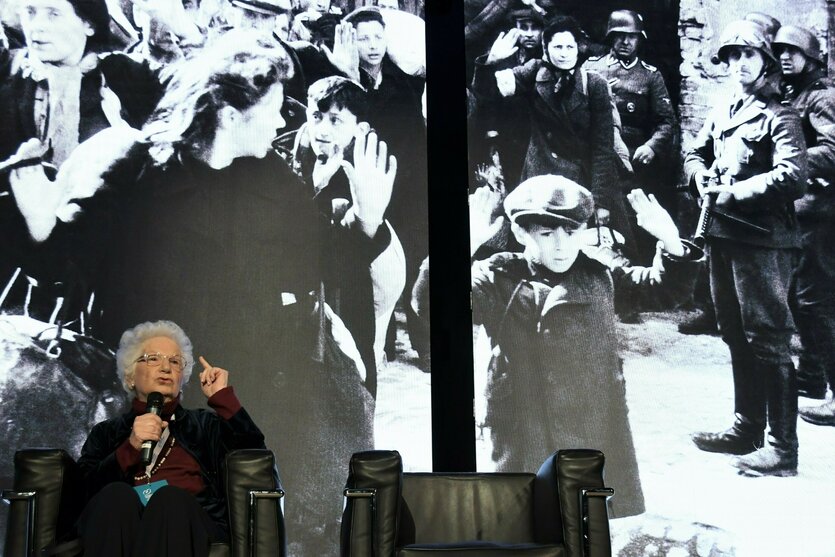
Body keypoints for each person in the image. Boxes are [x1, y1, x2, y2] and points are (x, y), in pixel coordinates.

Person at [10, 30, 391, 554]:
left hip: (246, 400)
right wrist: (37, 226)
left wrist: (367, 224)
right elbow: (63, 262)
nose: (284, 122)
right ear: (231, 115)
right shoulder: (134, 166)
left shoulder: (270, 176)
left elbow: (313, 264)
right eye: (276, 108)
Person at [469, 175, 702, 518]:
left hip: (590, 424)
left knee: (586, 522)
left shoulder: (600, 273)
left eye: (572, 233)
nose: (561, 246)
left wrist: (672, 243)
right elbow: (430, 307)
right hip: (521, 429)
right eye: (547, 235)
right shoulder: (497, 276)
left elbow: (662, 290)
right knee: (523, 522)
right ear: (520, 234)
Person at [685, 20, 807, 476]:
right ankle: (746, 428)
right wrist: (699, 174)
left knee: (769, 338)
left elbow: (792, 176)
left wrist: (739, 190)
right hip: (722, 235)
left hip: (763, 241)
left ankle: (782, 448)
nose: (738, 66)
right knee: (733, 331)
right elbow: (695, 152)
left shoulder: (781, 115)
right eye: (731, 57)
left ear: (766, 62)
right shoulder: (723, 107)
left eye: (747, 57)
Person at [0, 0, 161, 330]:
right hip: (17, 274)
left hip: (104, 270)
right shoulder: (10, 80)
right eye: (30, 12)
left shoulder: (127, 78)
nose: (37, 25)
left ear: (89, 24)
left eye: (53, 13)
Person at [76, 320, 266, 556]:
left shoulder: (204, 425)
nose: (166, 367)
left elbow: (255, 454)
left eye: (175, 361)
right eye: (153, 358)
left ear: (181, 377)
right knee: (116, 497)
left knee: (170, 500)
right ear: (130, 377)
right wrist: (130, 448)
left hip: (188, 524)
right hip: (122, 525)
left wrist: (222, 398)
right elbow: (81, 493)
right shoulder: (106, 433)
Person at [472, 15, 632, 248]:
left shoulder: (594, 84)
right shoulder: (535, 72)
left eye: (570, 46)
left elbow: (602, 148)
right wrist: (489, 63)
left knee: (591, 248)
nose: (564, 53)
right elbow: (489, 94)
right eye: (557, 46)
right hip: (541, 177)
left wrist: (600, 201)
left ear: (578, 49)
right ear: (546, 49)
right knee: (540, 245)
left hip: (584, 179)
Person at [292, 75, 406, 397]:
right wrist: (313, 189)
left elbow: (380, 273)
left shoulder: (368, 171)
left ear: (359, 128)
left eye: (335, 120)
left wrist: (363, 219)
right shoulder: (291, 158)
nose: (322, 130)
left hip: (356, 295)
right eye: (316, 117)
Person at [343, 6, 430, 361]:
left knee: (418, 260)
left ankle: (425, 346)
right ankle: (385, 341)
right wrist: (346, 73)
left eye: (378, 37)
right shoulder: (346, 83)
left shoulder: (406, 80)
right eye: (364, 38)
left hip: (409, 185)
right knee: (375, 261)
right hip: (368, 186)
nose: (373, 45)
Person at [773, 25, 835, 425]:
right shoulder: (794, 94)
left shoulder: (823, 97)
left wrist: (788, 159)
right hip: (803, 213)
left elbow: (832, 150)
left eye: (792, 52)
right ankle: (811, 377)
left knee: (816, 302)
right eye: (779, 50)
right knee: (801, 299)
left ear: (811, 57)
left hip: (823, 214)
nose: (784, 57)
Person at [584, 9, 677, 218]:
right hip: (596, 154)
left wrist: (651, 147)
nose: (626, 41)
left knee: (631, 219)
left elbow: (667, 122)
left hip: (634, 161)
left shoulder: (650, 76)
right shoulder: (591, 68)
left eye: (632, 36)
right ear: (610, 37)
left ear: (640, 40)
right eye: (620, 35)